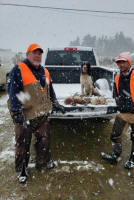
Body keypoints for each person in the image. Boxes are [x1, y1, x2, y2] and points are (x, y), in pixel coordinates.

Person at [8, 43, 65, 183]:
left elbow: (49, 89)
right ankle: (21, 169)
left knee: (44, 140)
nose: (37, 56)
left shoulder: (45, 71)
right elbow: (13, 91)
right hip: (25, 115)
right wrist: (16, 111)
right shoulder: (18, 69)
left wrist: (55, 102)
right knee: (22, 143)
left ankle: (43, 163)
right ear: (28, 54)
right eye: (34, 53)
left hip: (41, 113)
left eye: (39, 54)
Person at [100, 52, 134, 169]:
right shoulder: (117, 77)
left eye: (123, 62)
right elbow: (115, 93)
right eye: (119, 62)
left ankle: (133, 159)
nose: (121, 65)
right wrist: (118, 101)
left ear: (129, 62)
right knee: (115, 136)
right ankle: (115, 156)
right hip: (123, 113)